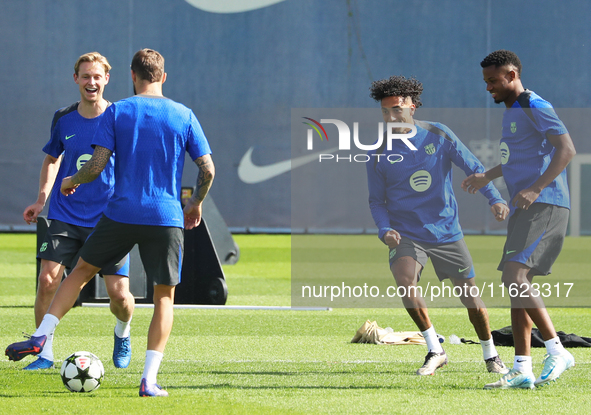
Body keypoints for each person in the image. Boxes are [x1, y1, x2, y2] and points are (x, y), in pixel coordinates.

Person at [6, 48, 214, 397]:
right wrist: (195, 203)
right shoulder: (184, 114)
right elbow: (207, 169)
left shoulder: (119, 110)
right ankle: (148, 380)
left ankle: (42, 335)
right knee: (164, 298)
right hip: (165, 216)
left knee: (80, 272)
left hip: (119, 214)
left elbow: (96, 165)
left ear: (132, 77)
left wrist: (71, 181)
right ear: (163, 77)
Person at [366, 75, 510, 376]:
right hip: (406, 234)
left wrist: (494, 199)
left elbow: (474, 167)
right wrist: (384, 229)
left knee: (471, 299)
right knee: (405, 282)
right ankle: (435, 349)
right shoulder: (378, 151)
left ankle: (491, 354)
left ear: (413, 107)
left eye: (397, 109)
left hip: (445, 231)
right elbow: (376, 201)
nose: (391, 117)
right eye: (385, 111)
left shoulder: (439, 135)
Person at [11, 52, 134, 371]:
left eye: (97, 76)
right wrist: (41, 200)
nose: (91, 82)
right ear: (76, 79)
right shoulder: (63, 118)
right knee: (47, 279)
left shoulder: (121, 117)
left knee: (119, 297)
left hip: (110, 220)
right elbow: (52, 159)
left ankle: (123, 332)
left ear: (107, 79)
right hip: (64, 216)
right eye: (85, 76)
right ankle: (45, 352)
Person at [462, 50, 576, 389]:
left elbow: (566, 149)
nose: (488, 88)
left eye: (493, 81)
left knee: (514, 275)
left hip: (546, 203)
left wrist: (537, 188)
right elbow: (520, 157)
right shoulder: (513, 110)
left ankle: (557, 350)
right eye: (485, 82)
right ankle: (522, 368)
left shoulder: (533, 104)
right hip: (527, 207)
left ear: (512, 74)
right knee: (516, 285)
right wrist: (488, 176)